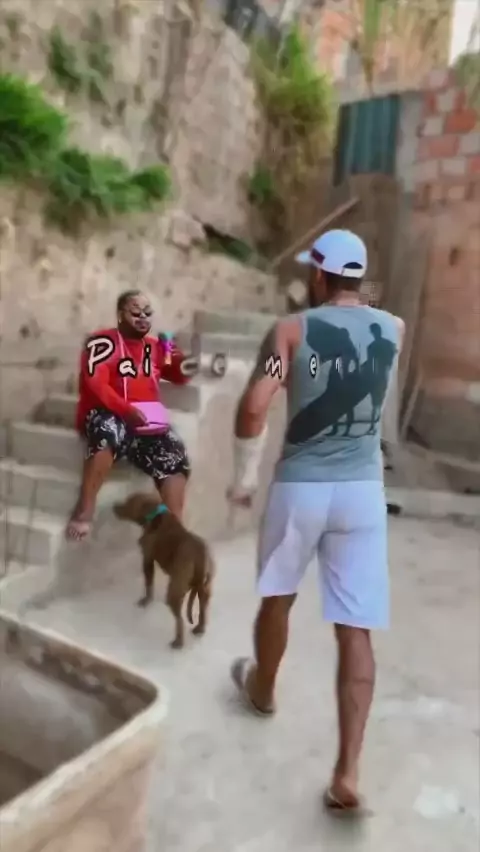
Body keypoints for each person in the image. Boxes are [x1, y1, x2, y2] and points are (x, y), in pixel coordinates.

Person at [227, 229, 405, 814]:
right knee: (356, 629)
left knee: (278, 598)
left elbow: (256, 406)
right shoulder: (393, 329)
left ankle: (263, 689)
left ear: (321, 275)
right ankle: (348, 772)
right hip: (361, 495)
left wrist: (244, 478)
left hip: (300, 489)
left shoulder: (290, 331)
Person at [66, 289, 195, 540]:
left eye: (147, 313)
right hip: (109, 413)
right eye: (136, 312)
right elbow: (96, 384)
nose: (142, 317)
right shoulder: (101, 342)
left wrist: (182, 360)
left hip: (147, 423)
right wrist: (126, 410)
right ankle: (85, 508)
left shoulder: (155, 347)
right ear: (120, 315)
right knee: (107, 432)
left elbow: (178, 376)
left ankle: (174, 531)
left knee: (175, 457)